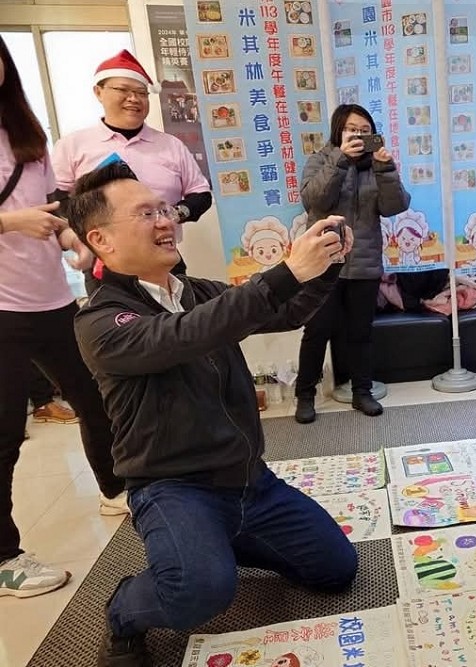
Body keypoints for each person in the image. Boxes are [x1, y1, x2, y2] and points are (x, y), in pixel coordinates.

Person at [66, 161, 359, 666]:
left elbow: (282, 311)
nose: (165, 221)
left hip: (250, 482)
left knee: (336, 569)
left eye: (164, 209)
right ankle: (125, 609)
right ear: (102, 240)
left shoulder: (197, 291)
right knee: (199, 593)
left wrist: (327, 264)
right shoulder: (99, 321)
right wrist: (288, 270)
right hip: (174, 488)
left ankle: (217, 545)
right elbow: (187, 334)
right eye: (145, 214)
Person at [0, 36, 127, 600]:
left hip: (50, 296)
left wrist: (77, 241)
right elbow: (23, 217)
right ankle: (3, 557)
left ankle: (115, 486)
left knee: (96, 395)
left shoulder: (26, 137)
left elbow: (51, 206)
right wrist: (9, 224)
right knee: (4, 433)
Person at [52, 49, 211, 286]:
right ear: (99, 92)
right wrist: (79, 232)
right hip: (106, 265)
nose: (134, 99)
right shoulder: (73, 145)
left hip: (165, 259)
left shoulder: (170, 145)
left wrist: (172, 214)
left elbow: (201, 195)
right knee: (118, 322)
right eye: (123, 90)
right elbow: (57, 199)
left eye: (141, 93)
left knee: (179, 320)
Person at [295, 104, 411, 421]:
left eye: (364, 129)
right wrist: (341, 159)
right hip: (323, 262)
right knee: (317, 330)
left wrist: (386, 170)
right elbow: (315, 201)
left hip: (364, 263)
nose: (358, 134)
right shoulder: (322, 159)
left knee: (360, 333)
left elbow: (394, 206)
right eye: (351, 129)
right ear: (338, 131)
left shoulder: (377, 166)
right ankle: (305, 396)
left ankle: (362, 392)